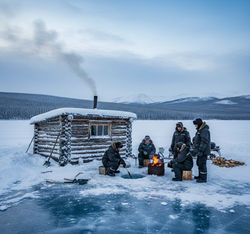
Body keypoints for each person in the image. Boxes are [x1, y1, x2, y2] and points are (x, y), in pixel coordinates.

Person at [192, 118, 211, 183]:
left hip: (203, 151)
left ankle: (203, 178)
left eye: (196, 124)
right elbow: (198, 139)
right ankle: (200, 176)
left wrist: (200, 150)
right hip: (200, 151)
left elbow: (204, 141)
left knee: (202, 164)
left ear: (199, 124)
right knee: (199, 163)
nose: (195, 126)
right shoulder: (200, 130)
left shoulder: (204, 130)